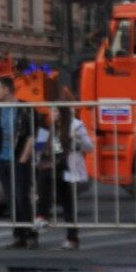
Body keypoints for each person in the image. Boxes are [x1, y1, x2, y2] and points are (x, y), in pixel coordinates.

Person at [0, 76, 38, 248]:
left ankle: (31, 234)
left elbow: (31, 135)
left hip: (18, 158)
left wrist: (24, 157)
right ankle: (18, 235)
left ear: (6, 90)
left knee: (21, 196)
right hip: (3, 159)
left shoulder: (24, 109)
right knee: (10, 198)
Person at [48, 88, 93, 249]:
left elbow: (89, 146)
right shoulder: (52, 127)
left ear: (61, 112)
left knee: (68, 204)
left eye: (53, 110)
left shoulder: (76, 125)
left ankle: (72, 238)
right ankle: (42, 217)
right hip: (56, 167)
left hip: (69, 167)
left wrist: (76, 140)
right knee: (60, 200)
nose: (51, 114)